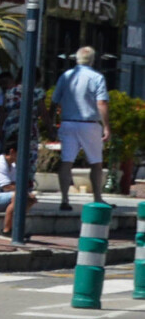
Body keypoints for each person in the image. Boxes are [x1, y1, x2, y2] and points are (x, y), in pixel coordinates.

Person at [51, 46, 110, 210]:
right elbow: (102, 103)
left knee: (66, 161)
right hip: (89, 124)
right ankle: (97, 197)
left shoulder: (66, 76)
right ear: (92, 60)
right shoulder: (96, 77)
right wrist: (107, 127)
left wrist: (50, 123)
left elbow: (54, 100)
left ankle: (64, 199)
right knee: (96, 163)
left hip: (68, 122)